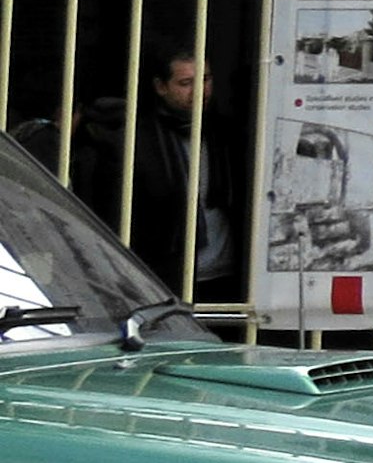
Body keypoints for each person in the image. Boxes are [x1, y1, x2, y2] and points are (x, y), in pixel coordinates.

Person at [17, 54, 236, 300]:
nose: (199, 91)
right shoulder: (136, 140)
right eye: (185, 83)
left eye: (205, 79)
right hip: (163, 278)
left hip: (222, 275)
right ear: (160, 87)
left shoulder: (226, 136)